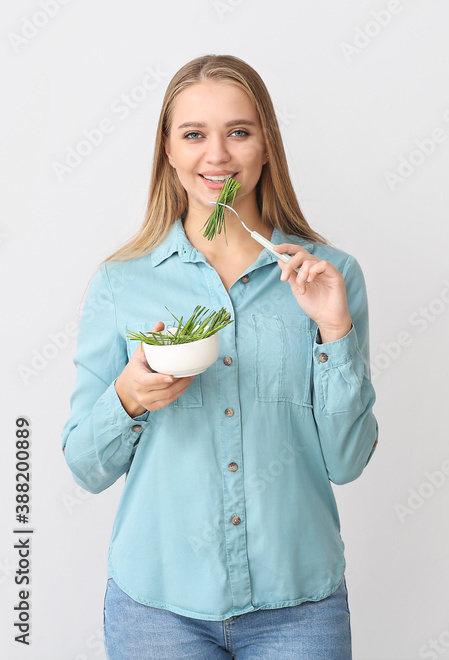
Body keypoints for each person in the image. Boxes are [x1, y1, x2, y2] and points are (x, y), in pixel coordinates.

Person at [61, 54, 378, 660]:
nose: (217, 156)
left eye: (238, 131)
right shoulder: (121, 283)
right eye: (194, 134)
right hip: (156, 609)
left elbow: (348, 462)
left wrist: (335, 330)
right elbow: (84, 465)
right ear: (169, 151)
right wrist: (128, 398)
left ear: (266, 146)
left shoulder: (331, 278)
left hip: (299, 608)